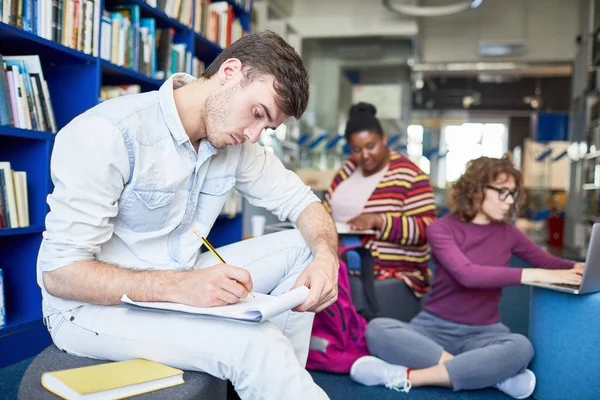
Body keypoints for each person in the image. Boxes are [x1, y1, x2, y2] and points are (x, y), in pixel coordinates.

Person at [37, 31, 339, 400]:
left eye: (267, 127)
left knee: (305, 249)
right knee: (254, 342)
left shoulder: (235, 145)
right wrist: (183, 288)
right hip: (89, 310)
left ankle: (274, 385)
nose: (254, 135)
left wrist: (327, 257)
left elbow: (303, 204)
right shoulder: (109, 132)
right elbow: (60, 274)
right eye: (257, 114)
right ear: (230, 71)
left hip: (178, 280)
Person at [349, 155, 584, 398]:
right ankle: (489, 377)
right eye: (502, 192)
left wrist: (581, 267)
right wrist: (537, 275)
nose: (509, 201)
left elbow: (551, 263)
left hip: (485, 333)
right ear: (476, 190)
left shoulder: (509, 234)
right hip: (432, 329)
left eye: (513, 194)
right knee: (377, 329)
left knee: (521, 348)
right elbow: (467, 274)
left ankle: (410, 377)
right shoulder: (441, 228)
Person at [322, 102, 436, 321]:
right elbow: (326, 209)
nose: (365, 155)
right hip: (342, 271)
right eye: (357, 150)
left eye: (371, 145)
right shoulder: (346, 171)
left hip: (388, 278)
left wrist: (379, 221)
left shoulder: (410, 176)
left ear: (384, 139)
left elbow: (428, 229)